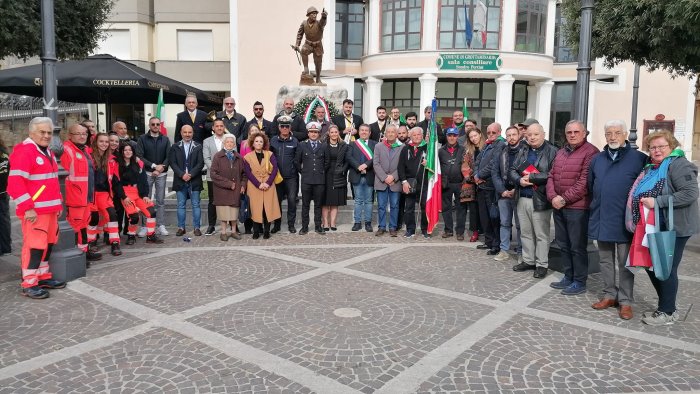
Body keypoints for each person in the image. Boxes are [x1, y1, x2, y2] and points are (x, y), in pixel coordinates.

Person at [629, 130, 699, 325]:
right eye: (653, 147)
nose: (657, 150)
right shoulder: (653, 167)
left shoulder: (678, 165)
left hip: (675, 227)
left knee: (665, 268)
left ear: (671, 147)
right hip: (654, 225)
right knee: (652, 266)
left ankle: (667, 312)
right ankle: (667, 305)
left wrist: (657, 201)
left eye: (662, 146)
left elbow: (690, 193)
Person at [588, 120, 646, 320]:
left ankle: (625, 301)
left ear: (624, 136)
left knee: (625, 262)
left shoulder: (639, 159)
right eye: (609, 133)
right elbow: (590, 186)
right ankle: (609, 294)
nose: (612, 137)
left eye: (617, 133)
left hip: (625, 221)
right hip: (602, 217)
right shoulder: (597, 159)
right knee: (605, 260)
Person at [7, 117, 65, 298]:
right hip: (35, 211)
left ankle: (42, 277)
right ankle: (29, 283)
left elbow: (52, 182)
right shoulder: (25, 152)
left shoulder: (47, 152)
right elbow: (15, 183)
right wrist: (27, 207)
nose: (47, 136)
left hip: (50, 210)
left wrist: (58, 203)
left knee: (47, 245)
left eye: (49, 132)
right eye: (43, 132)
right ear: (31, 132)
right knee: (35, 247)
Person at [547, 120, 600, 294]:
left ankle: (579, 281)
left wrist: (563, 199)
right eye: (569, 132)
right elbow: (551, 175)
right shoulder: (561, 152)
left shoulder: (591, 152)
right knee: (563, 244)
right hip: (559, 206)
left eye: (576, 132)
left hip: (578, 208)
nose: (572, 135)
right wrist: (553, 196)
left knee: (577, 246)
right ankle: (568, 276)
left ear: (584, 133)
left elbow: (585, 182)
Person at [510, 123, 558, 279]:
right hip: (522, 196)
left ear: (543, 134)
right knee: (525, 233)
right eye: (529, 135)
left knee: (541, 234)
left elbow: (553, 174)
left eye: (536, 134)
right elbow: (512, 170)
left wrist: (532, 177)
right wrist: (519, 181)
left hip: (540, 198)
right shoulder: (523, 149)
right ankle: (528, 260)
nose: (532, 137)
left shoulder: (552, 151)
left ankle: (542, 264)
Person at [61, 124, 102, 263]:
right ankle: (76, 256)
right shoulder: (67, 150)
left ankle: (83, 252)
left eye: (84, 133)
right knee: (75, 228)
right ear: (70, 135)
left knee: (83, 226)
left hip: (85, 197)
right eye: (78, 133)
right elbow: (62, 177)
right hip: (75, 198)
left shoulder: (84, 150)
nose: (82, 136)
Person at [117, 144, 163, 245]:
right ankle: (131, 235)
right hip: (125, 193)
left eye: (130, 150)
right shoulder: (117, 164)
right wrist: (124, 197)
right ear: (122, 152)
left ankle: (150, 236)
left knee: (151, 212)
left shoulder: (138, 163)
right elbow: (117, 183)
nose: (128, 152)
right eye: (125, 150)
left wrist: (145, 195)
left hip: (138, 193)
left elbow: (143, 181)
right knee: (134, 216)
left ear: (133, 152)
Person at [88, 133, 124, 256]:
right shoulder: (89, 157)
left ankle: (115, 243)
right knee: (93, 218)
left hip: (104, 194)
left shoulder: (112, 160)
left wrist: (123, 196)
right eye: (101, 141)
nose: (104, 144)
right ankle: (91, 242)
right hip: (91, 194)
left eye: (106, 142)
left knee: (112, 215)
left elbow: (116, 181)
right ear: (95, 143)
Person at [491, 126, 523, 262]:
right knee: (504, 223)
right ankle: (504, 250)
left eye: (514, 135)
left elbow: (527, 171)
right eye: (508, 135)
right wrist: (502, 190)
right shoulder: (501, 151)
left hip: (519, 192)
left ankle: (522, 251)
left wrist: (517, 188)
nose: (511, 138)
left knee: (521, 225)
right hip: (503, 193)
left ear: (519, 135)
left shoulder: (525, 150)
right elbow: (495, 172)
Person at [474, 123, 505, 254]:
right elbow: (477, 161)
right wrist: (476, 174)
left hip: (491, 186)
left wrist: (480, 174)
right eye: (489, 132)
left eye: (494, 132)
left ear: (499, 132)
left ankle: (496, 244)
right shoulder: (487, 144)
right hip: (481, 185)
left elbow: (494, 163)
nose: (491, 134)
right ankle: (488, 241)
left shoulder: (501, 144)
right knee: (484, 216)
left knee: (494, 217)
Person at [136, 117, 171, 236]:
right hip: (147, 173)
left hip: (162, 173)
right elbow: (139, 156)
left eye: (157, 124)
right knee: (145, 200)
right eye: (153, 124)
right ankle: (145, 226)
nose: (155, 126)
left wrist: (162, 167)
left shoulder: (165, 139)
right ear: (149, 125)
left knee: (160, 200)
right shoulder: (142, 138)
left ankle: (161, 225)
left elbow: (169, 156)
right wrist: (154, 166)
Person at [243, 133, 282, 239]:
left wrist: (268, 183)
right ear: (253, 143)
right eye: (256, 141)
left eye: (261, 141)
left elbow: (274, 169)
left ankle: (266, 231)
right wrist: (258, 184)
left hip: (268, 184)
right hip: (254, 185)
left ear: (264, 143)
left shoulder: (269, 154)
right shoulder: (247, 157)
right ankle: (256, 231)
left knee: (267, 208)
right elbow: (248, 173)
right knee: (256, 208)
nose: (259, 143)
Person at [170, 125, 205, 237]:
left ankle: (197, 228)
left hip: (194, 180)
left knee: (196, 204)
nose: (187, 134)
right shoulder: (175, 146)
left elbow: (200, 163)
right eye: (185, 132)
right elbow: (172, 162)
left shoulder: (198, 146)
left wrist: (191, 174)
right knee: (181, 205)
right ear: (181, 133)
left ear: (192, 133)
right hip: (180, 180)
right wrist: (181, 174)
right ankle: (181, 227)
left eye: (189, 132)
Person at [210, 134, 246, 241]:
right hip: (222, 190)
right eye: (227, 142)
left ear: (234, 144)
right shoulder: (218, 156)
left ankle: (234, 231)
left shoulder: (239, 157)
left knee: (234, 212)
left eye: (231, 142)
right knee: (224, 212)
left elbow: (244, 174)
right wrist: (228, 183)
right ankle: (223, 232)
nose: (229, 144)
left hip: (236, 189)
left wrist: (243, 185)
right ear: (224, 143)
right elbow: (213, 174)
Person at [296, 122, 329, 235]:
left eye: (315, 132)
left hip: (319, 180)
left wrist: (320, 172)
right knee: (305, 205)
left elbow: (327, 162)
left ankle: (318, 226)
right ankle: (304, 227)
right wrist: (304, 172)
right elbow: (297, 161)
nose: (313, 134)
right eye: (311, 132)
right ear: (308, 133)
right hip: (306, 180)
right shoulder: (302, 145)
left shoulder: (323, 145)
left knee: (318, 205)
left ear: (319, 133)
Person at [270, 115, 300, 233]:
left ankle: (291, 225)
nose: (284, 128)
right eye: (282, 126)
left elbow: (298, 158)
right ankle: (277, 225)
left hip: (291, 177)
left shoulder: (295, 141)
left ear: (290, 127)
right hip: (277, 177)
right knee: (276, 202)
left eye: (287, 126)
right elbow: (269, 158)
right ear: (279, 127)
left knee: (292, 201)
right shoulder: (273, 140)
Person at [398, 127, 428, 238]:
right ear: (410, 136)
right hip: (409, 182)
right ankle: (410, 229)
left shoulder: (428, 148)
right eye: (414, 135)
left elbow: (434, 166)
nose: (416, 137)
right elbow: (400, 167)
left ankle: (425, 229)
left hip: (424, 183)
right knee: (409, 208)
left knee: (425, 207)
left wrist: (428, 164)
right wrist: (404, 182)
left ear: (422, 135)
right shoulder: (406, 149)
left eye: (418, 135)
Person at [373, 124, 403, 237]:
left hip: (395, 182)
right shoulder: (378, 146)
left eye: (393, 132)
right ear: (385, 134)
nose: (390, 134)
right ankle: (381, 227)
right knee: (381, 205)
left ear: (396, 134)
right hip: (381, 181)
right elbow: (376, 163)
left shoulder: (402, 147)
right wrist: (385, 177)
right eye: (388, 132)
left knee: (395, 205)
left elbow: (402, 165)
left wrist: (393, 177)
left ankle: (392, 227)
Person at [347, 124, 377, 232]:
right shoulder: (352, 144)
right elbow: (349, 157)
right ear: (359, 132)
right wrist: (358, 166)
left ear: (369, 133)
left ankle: (368, 223)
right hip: (357, 174)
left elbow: (376, 157)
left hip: (369, 175)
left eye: (366, 130)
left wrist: (366, 165)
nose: (364, 132)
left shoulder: (375, 144)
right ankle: (357, 222)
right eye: (362, 130)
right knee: (358, 201)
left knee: (369, 201)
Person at [439, 127, 467, 239]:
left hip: (460, 182)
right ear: (446, 136)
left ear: (457, 136)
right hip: (446, 183)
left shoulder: (463, 149)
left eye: (454, 135)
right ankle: (448, 230)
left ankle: (460, 232)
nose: (452, 137)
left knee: (461, 208)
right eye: (449, 135)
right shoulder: (440, 151)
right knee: (446, 208)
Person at [203, 118, 229, 236]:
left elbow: (234, 157)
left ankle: (231, 224)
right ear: (213, 128)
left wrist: (226, 171)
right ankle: (211, 225)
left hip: (227, 176)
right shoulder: (207, 141)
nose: (219, 128)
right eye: (217, 126)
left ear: (224, 127)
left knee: (229, 200)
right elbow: (206, 158)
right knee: (212, 201)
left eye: (221, 126)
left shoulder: (230, 139)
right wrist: (215, 171)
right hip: (212, 176)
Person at [321, 125, 348, 231]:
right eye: (332, 132)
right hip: (326, 174)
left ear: (338, 133)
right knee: (325, 200)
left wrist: (343, 170)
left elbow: (347, 160)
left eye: (336, 132)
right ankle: (325, 223)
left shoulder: (343, 145)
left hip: (338, 174)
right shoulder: (324, 145)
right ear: (329, 133)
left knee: (335, 201)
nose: (334, 134)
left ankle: (333, 223)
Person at [294, 6, 327, 84]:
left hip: (318, 45)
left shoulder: (319, 23)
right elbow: (300, 34)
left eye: (316, 14)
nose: (315, 15)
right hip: (308, 44)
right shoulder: (304, 23)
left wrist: (324, 17)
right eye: (313, 14)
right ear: (308, 15)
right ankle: (306, 68)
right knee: (303, 50)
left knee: (318, 62)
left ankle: (318, 78)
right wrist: (297, 44)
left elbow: (323, 22)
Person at [239, 125, 262, 234]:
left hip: (260, 177)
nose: (253, 132)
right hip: (248, 176)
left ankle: (258, 225)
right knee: (249, 201)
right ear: (248, 132)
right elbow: (242, 160)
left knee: (259, 202)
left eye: (255, 130)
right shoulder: (244, 144)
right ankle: (248, 226)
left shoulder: (261, 142)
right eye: (251, 130)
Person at [461, 128, 483, 242]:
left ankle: (484, 230)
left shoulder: (486, 147)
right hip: (472, 183)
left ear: (480, 134)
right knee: (474, 209)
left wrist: (481, 177)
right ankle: (475, 231)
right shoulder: (468, 150)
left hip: (485, 182)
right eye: (471, 137)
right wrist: (472, 177)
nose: (473, 138)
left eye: (475, 135)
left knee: (484, 209)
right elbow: (465, 166)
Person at [0, 135, 9, 256]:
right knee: (4, 221)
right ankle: (6, 247)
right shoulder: (4, 153)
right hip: (4, 191)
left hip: (3, 191)